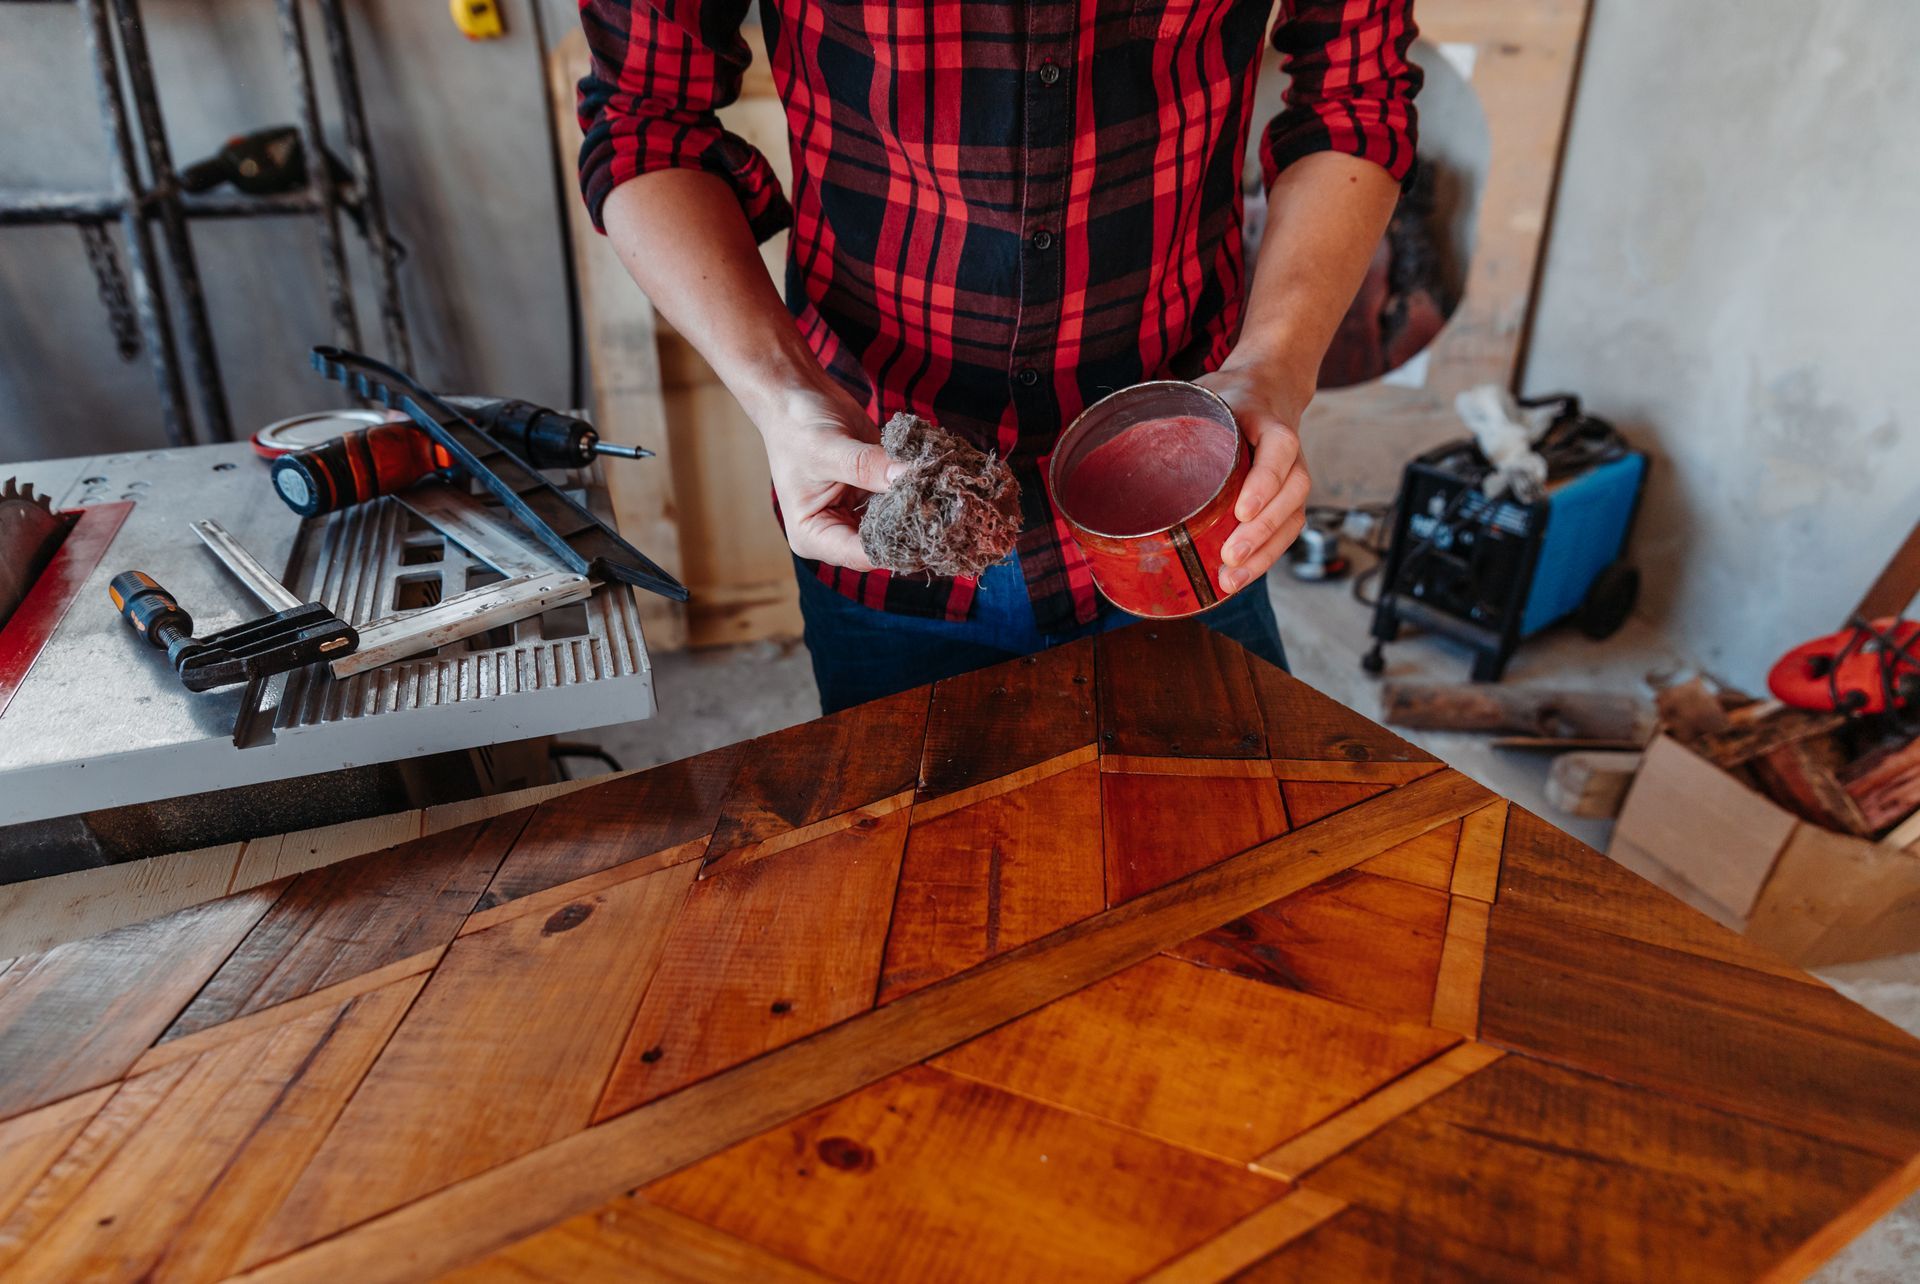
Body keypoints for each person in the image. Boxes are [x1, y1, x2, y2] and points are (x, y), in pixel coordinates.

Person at [580, 0, 1420, 713]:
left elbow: (1354, 93)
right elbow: (644, 122)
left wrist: (1274, 366)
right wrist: (781, 395)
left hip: (1188, 493)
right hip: (878, 491)